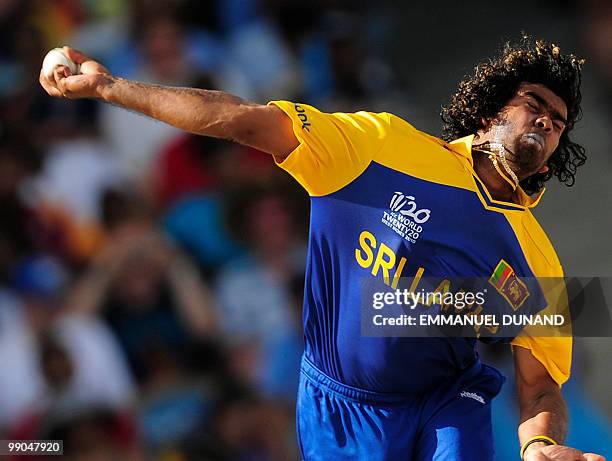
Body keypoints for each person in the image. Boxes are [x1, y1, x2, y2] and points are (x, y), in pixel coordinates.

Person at [38, 37, 606, 461]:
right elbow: (243, 119)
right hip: (336, 409)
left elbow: (539, 387)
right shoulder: (377, 146)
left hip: (445, 402)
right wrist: (108, 87)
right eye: (534, 103)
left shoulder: (536, 261)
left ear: (555, 152)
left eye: (557, 123)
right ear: (487, 115)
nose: (545, 122)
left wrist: (540, 448)